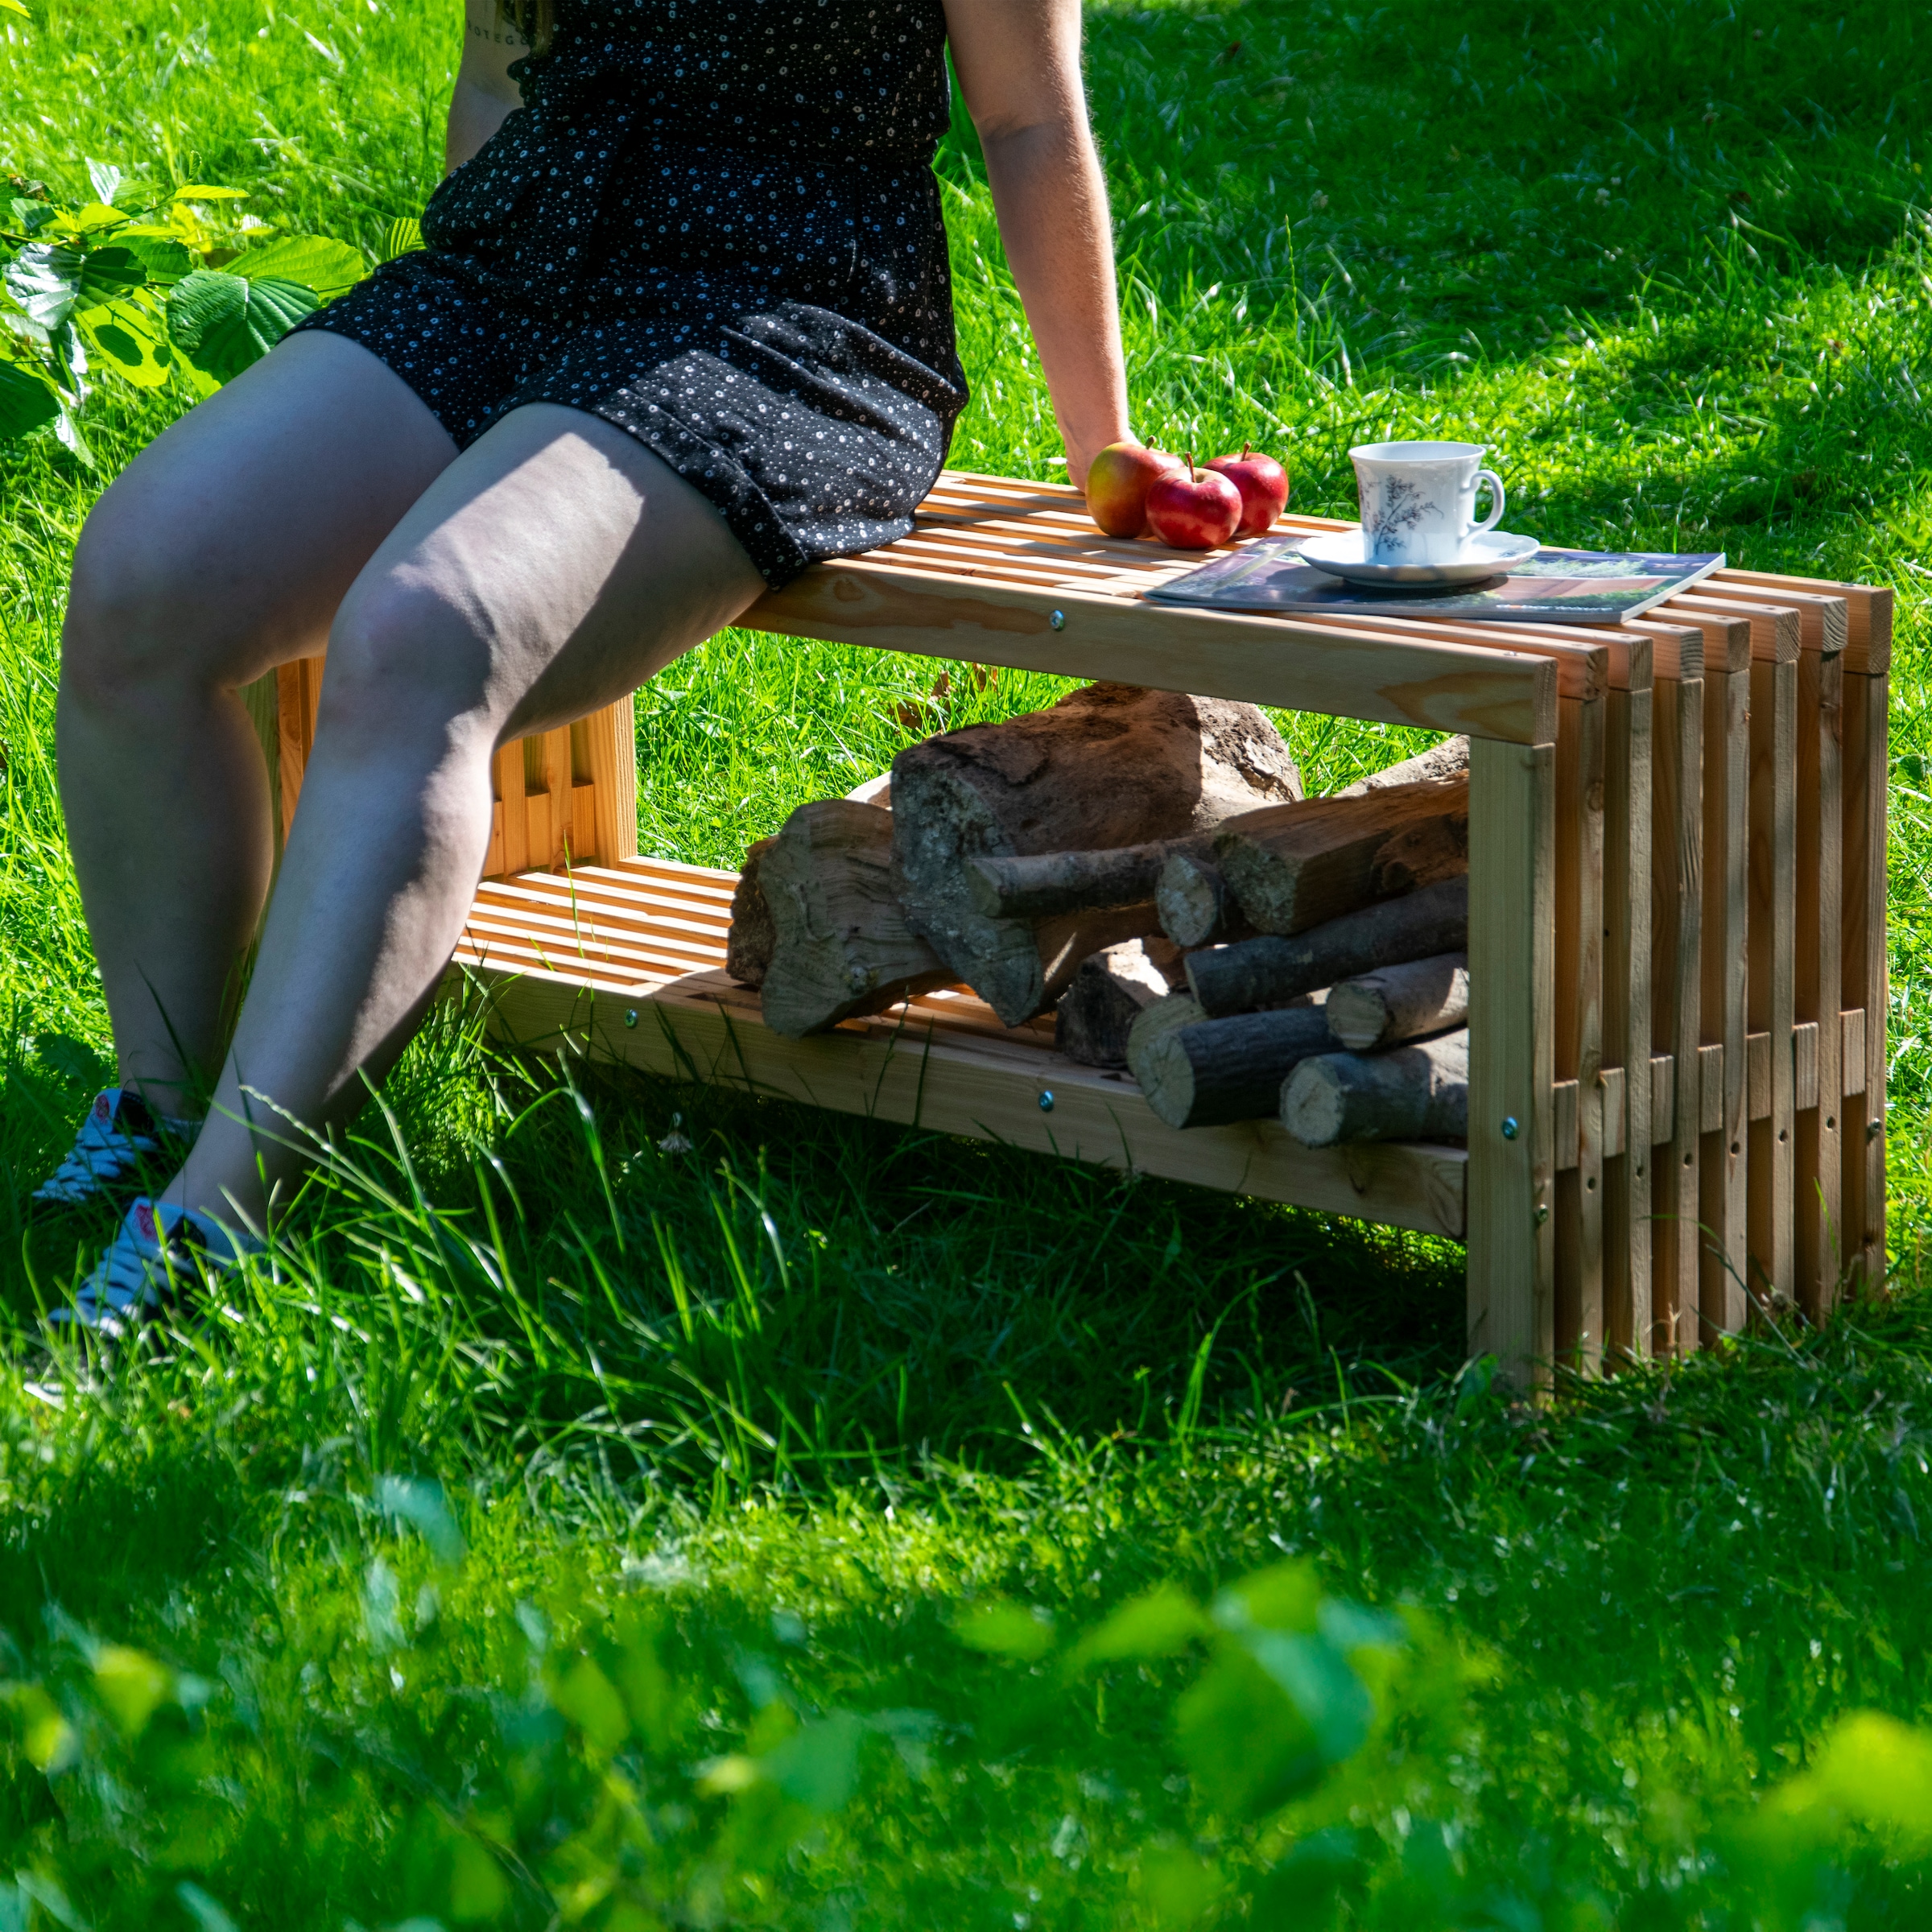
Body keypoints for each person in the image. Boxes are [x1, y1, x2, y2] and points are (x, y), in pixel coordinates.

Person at [34, 0, 1129, 1324]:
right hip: (517, 271)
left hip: (783, 314)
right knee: (141, 580)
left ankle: (217, 1222)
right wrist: (458, 388)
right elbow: (500, 69)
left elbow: (1027, 116)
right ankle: (159, 1105)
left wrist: (1105, 451)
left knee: (425, 631)